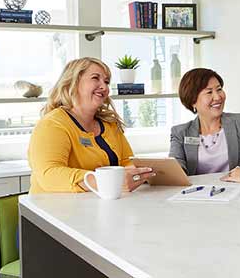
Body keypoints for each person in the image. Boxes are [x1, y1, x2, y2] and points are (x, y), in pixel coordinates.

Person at [28, 57, 155, 193]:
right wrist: (107, 182)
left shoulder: (109, 125)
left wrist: (142, 173)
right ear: (73, 82)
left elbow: (126, 162)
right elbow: (49, 175)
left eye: (106, 82)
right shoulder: (52, 124)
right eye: (95, 78)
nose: (104, 87)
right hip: (54, 209)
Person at [169, 68, 240, 175]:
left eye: (219, 89)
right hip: (199, 191)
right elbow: (175, 171)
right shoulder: (180, 133)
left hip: (238, 190)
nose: (217, 97)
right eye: (209, 92)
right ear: (193, 101)